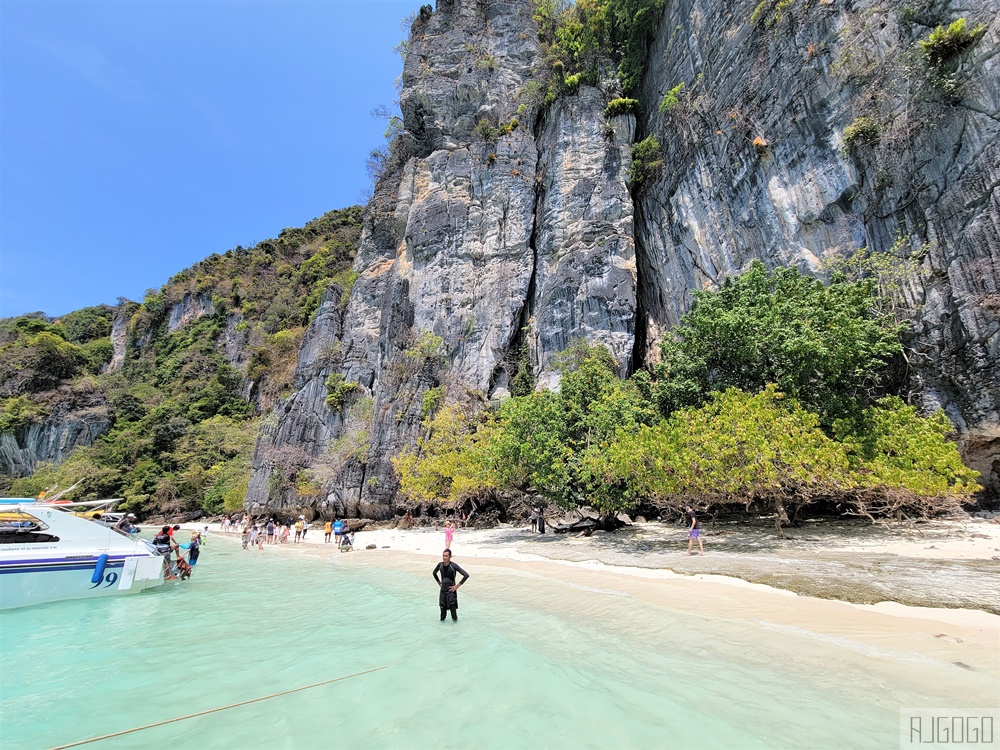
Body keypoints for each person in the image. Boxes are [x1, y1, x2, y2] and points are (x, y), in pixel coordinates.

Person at [432, 549, 469, 621]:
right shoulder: (440, 565)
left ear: (450, 557)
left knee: (454, 616)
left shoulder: (453, 566)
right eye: (443, 556)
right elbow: (434, 573)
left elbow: (466, 575)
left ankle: (456, 630)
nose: (444, 557)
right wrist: (439, 583)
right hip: (442, 592)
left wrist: (457, 586)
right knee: (442, 616)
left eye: (446, 556)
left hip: (451, 592)